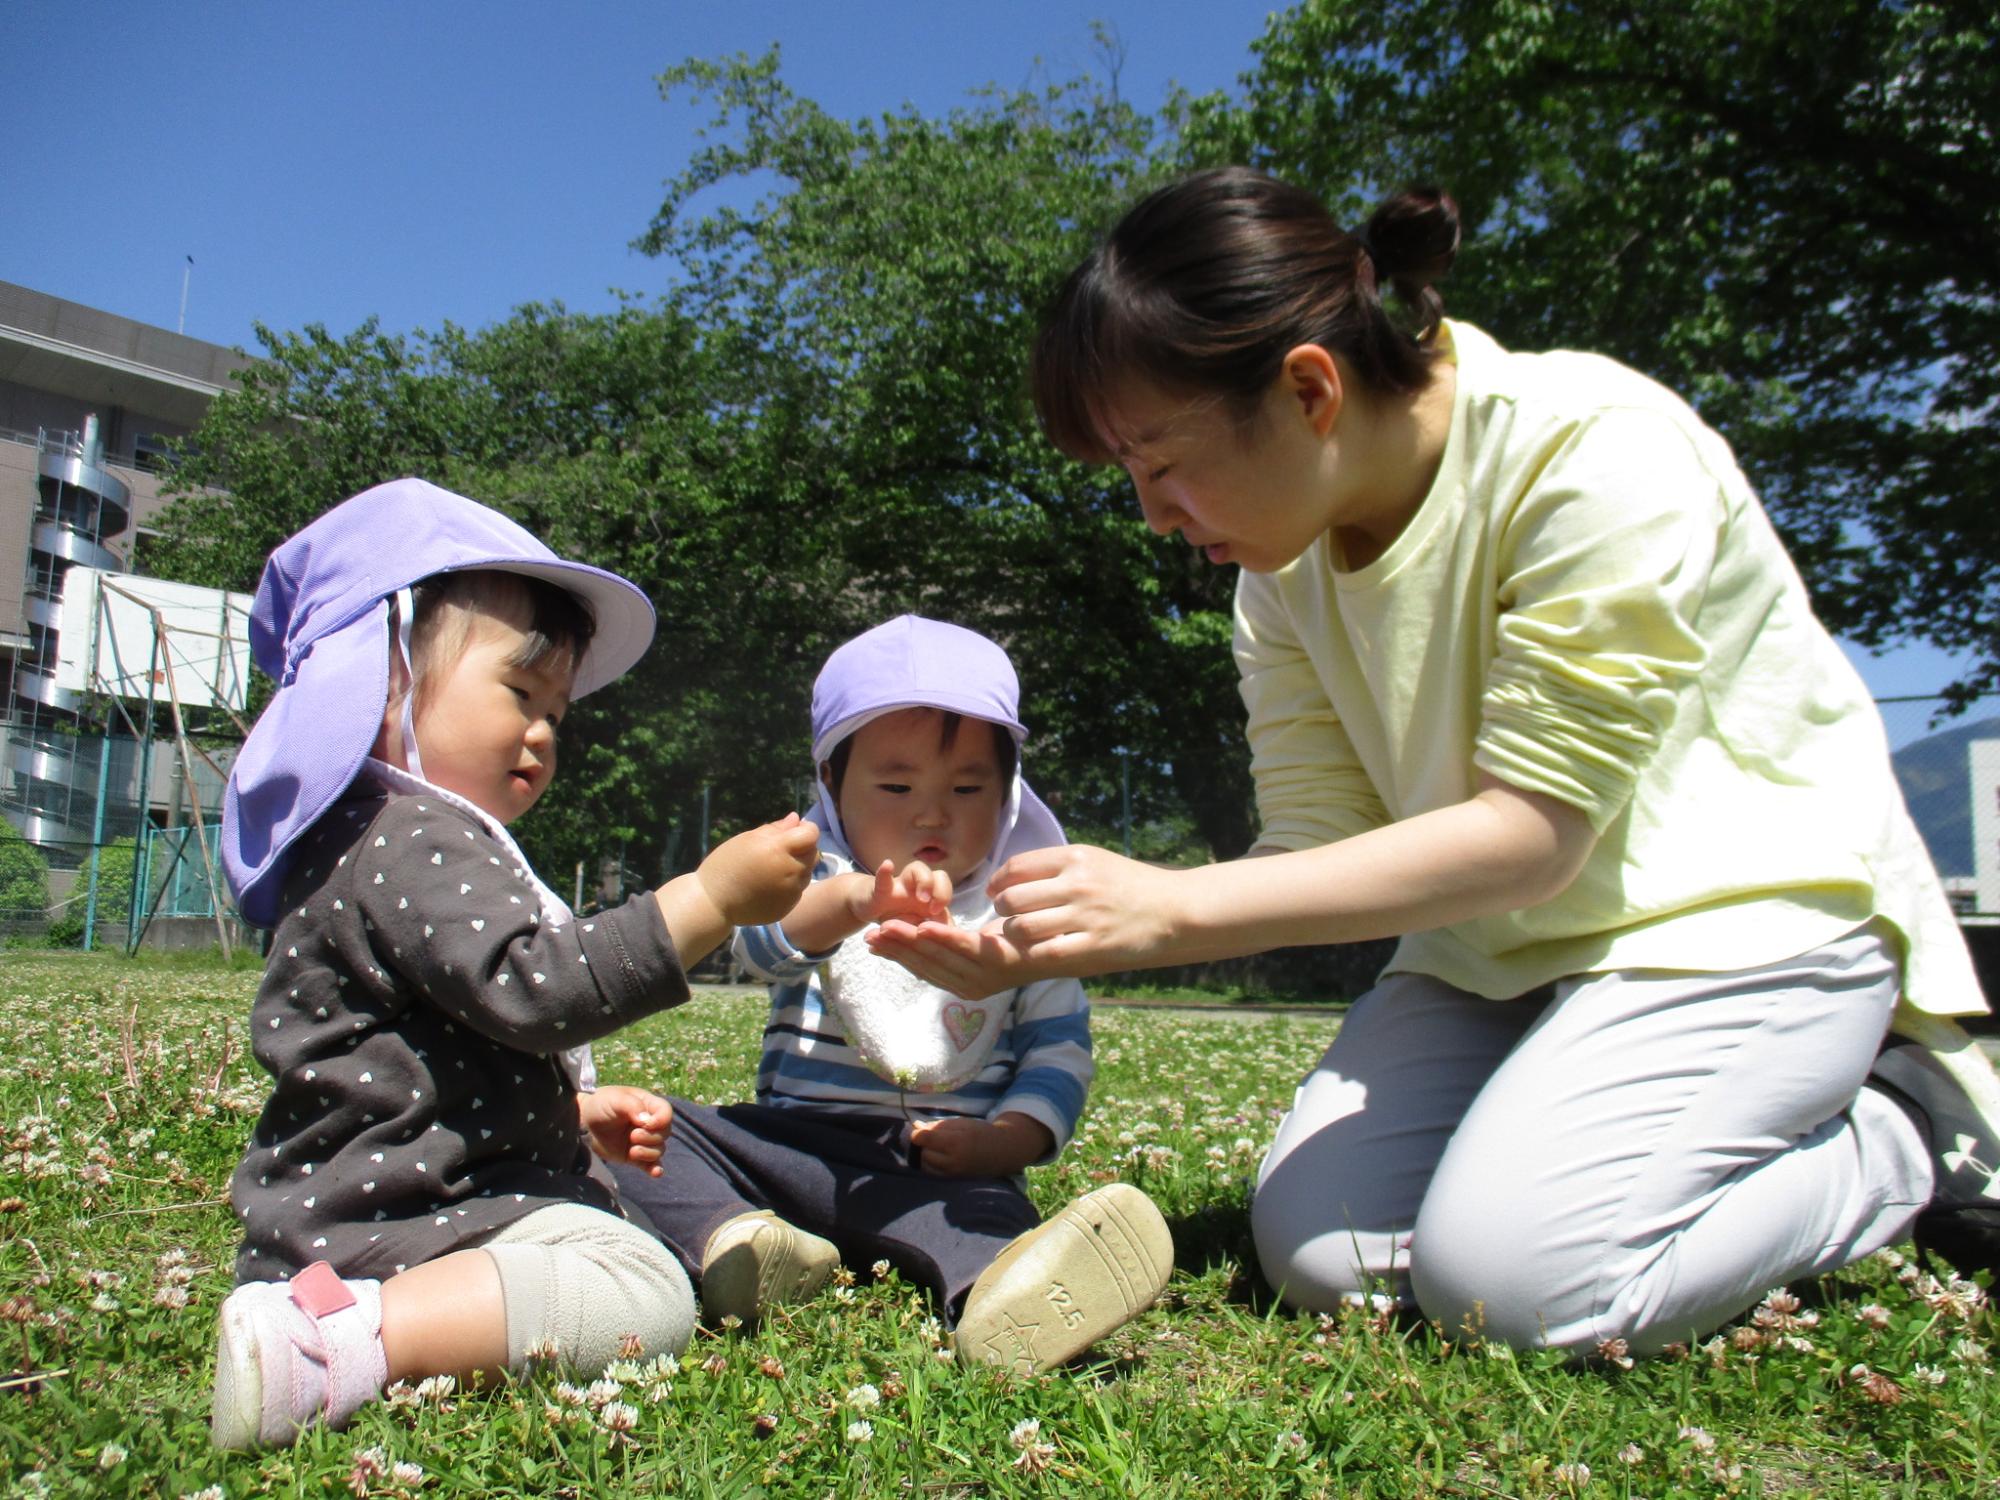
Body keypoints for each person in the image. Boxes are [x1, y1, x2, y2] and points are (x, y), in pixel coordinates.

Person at [870, 168, 2000, 1354]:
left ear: (1308, 390)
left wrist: (1170, 909)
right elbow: (1316, 845)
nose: (1152, 514)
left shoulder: (1592, 451)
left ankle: (1904, 1134)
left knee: (1525, 1290)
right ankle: (1566, 1129)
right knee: (1322, 1254)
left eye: (1159, 462)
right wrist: (1033, 944)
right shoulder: (1276, 574)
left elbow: (1531, 835)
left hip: (1743, 926)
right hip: (1488, 962)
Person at [210, 478, 819, 1447]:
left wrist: (567, 1112)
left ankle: (337, 1315)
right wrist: (705, 900)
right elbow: (538, 990)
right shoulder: (412, 837)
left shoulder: (395, 835)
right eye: (518, 691)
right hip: (397, 1215)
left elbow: (428, 1050)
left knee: (621, 1242)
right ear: (381, 677)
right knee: (640, 1286)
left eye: (557, 710)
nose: (542, 730)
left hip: (378, 1200)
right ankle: (334, 1340)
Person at [611, 615, 1173, 1375]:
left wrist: (1005, 1141)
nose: (932, 812)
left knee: (987, 1218)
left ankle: (1003, 1297)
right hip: (791, 1149)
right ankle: (737, 1239)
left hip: (937, 1174)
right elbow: (759, 948)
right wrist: (848, 904)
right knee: (644, 1136)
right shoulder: (813, 878)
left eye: (968, 787)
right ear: (833, 787)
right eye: (897, 785)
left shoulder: (1023, 908)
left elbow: (1059, 1050)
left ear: (1008, 796)